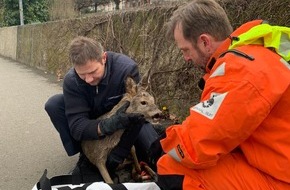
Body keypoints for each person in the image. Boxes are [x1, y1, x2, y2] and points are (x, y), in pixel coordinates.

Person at [156, 0, 290, 189]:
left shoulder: (239, 70)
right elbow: (216, 125)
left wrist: (165, 141)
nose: (186, 58)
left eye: (185, 50)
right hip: (278, 165)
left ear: (204, 41)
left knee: (171, 166)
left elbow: (199, 144)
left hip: (279, 179)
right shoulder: (259, 53)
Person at [45, 36, 160, 180]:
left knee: (153, 149)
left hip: (126, 122)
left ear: (103, 58)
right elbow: (77, 127)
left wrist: (120, 152)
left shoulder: (126, 69)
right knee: (54, 104)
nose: (88, 79)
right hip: (94, 121)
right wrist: (107, 125)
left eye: (93, 72)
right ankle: (86, 155)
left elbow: (137, 114)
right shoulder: (71, 80)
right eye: (82, 74)